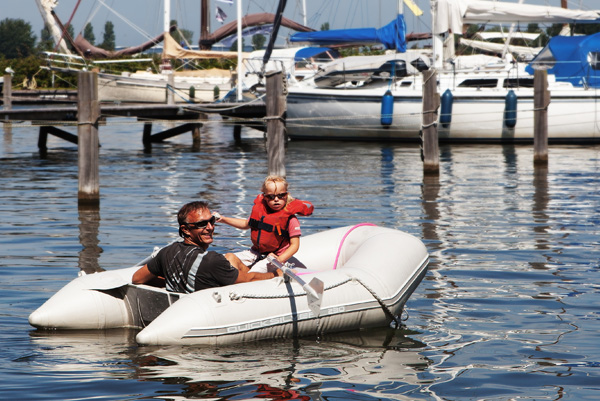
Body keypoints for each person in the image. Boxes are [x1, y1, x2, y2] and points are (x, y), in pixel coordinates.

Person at [132, 201, 278, 293]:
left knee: (231, 258)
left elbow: (137, 279)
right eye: (202, 224)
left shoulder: (166, 253)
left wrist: (171, 281)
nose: (210, 227)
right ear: (186, 230)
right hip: (206, 312)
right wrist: (276, 275)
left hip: (181, 305)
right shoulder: (211, 260)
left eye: (212, 221)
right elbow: (249, 280)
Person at [215, 175, 313, 273]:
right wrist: (223, 219)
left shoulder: (290, 219)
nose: (276, 199)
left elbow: (294, 245)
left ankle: (248, 276)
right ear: (265, 197)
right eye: (271, 196)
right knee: (223, 261)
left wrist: (280, 259)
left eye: (281, 196)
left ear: (286, 195)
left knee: (254, 273)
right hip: (256, 252)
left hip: (276, 257)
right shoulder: (261, 212)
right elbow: (246, 224)